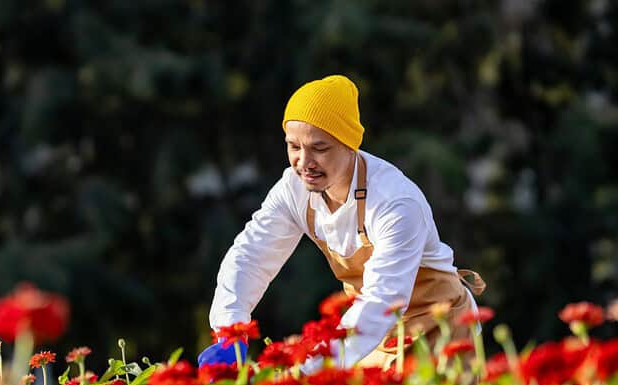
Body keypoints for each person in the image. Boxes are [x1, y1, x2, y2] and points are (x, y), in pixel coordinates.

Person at [198, 75, 485, 369]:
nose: (304, 162)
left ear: (350, 146)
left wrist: (307, 371)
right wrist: (230, 331)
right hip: (372, 335)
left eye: (319, 148)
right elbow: (251, 257)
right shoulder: (292, 189)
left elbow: (382, 299)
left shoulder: (395, 202)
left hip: (440, 331)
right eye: (293, 146)